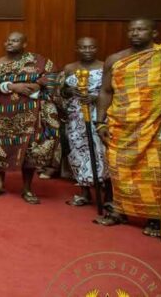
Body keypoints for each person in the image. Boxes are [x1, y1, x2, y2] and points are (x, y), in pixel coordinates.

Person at [94, 19, 161, 238]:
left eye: (141, 29)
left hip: (158, 125)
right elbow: (106, 92)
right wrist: (100, 122)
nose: (135, 33)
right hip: (123, 125)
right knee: (120, 170)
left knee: (155, 172)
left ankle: (156, 218)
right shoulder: (115, 59)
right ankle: (120, 210)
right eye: (131, 29)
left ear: (154, 32)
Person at [0, 32, 60, 205]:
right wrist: (12, 86)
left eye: (15, 41)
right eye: (8, 40)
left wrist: (38, 84)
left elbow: (54, 75)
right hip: (3, 112)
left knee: (29, 150)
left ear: (24, 44)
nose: (10, 43)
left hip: (30, 113)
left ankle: (27, 188)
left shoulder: (38, 61)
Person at [59, 37, 109, 207]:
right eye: (83, 48)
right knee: (78, 152)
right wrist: (70, 90)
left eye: (91, 47)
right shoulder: (70, 68)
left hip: (99, 115)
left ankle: (107, 194)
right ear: (77, 49)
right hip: (76, 116)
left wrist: (94, 98)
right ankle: (84, 193)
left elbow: (112, 92)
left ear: (97, 48)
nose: (87, 51)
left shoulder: (105, 67)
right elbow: (62, 93)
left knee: (102, 152)